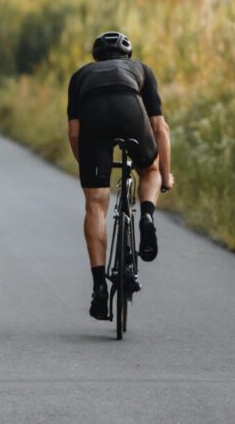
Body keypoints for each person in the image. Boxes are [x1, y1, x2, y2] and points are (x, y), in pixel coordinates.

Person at [66, 31, 173, 320]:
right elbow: (160, 127)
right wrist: (164, 175)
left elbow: (74, 132)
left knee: (96, 205)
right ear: (127, 55)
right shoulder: (141, 69)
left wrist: (88, 166)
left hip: (94, 118)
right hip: (130, 110)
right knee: (148, 169)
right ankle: (147, 216)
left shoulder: (80, 76)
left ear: (95, 57)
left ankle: (99, 286)